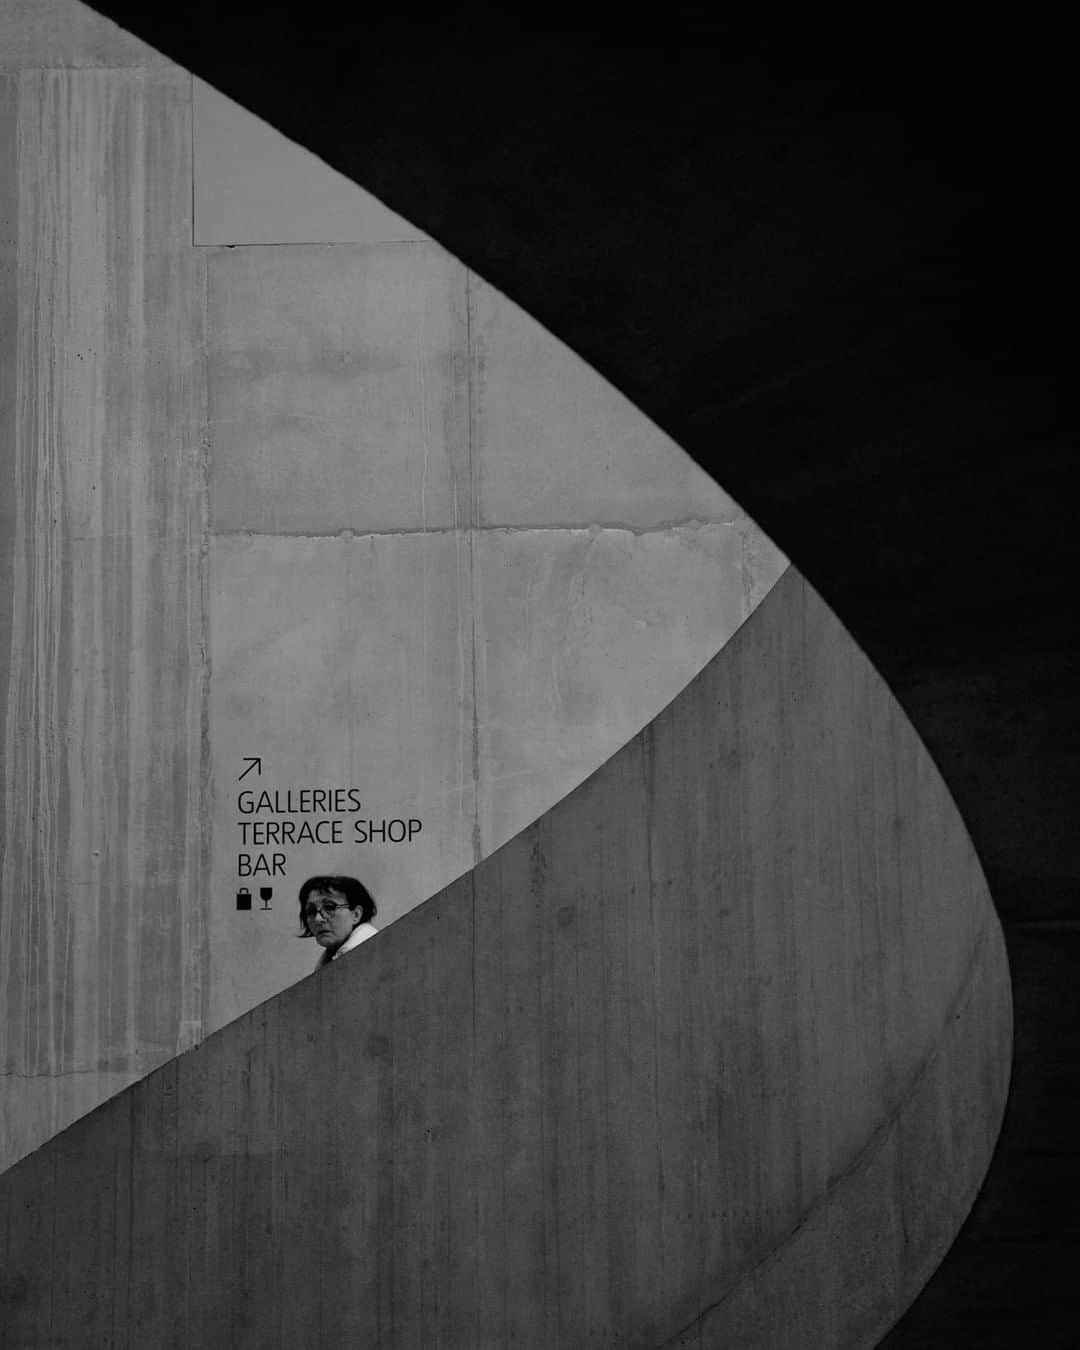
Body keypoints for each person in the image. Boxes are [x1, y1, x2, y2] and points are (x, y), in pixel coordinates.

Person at [297, 874, 379, 970]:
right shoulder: (326, 964)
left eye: (329, 907)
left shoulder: (372, 955)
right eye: (311, 911)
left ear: (356, 914)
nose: (318, 919)